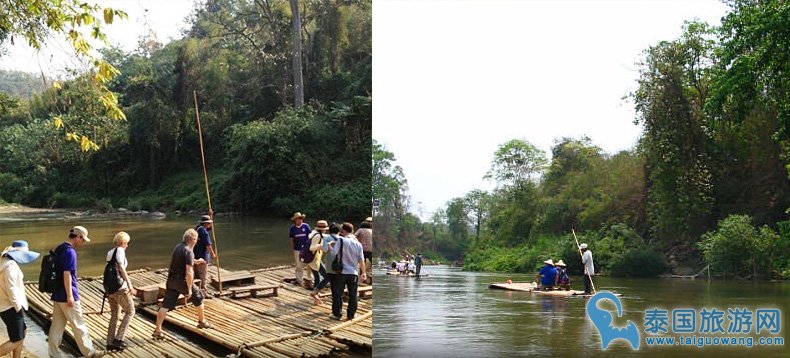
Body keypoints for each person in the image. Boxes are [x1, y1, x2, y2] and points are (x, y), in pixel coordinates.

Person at [48, 226, 105, 358]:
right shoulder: (70, 252)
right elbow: (67, 274)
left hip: (57, 294)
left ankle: (53, 354)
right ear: (78, 237)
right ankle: (90, 353)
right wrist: (70, 296)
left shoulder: (60, 248)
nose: (83, 243)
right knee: (79, 324)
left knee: (56, 326)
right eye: (83, 240)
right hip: (68, 294)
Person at [152, 229, 213, 339]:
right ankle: (202, 321)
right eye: (196, 239)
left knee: (165, 305)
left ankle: (158, 330)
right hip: (182, 281)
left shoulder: (178, 247)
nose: (197, 241)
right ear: (193, 239)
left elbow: (184, 260)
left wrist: (196, 261)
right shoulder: (189, 251)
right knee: (199, 297)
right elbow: (189, 272)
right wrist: (189, 289)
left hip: (171, 281)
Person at [0, 240, 39, 358]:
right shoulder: (10, 267)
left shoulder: (4, 261)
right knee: (17, 339)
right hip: (10, 306)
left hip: (5, 304)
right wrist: (17, 306)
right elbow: (11, 288)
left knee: (23, 332)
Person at [105, 232, 136, 352]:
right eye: (127, 243)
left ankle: (110, 342)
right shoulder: (120, 250)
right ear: (123, 242)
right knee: (130, 311)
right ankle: (119, 339)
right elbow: (121, 269)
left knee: (114, 315)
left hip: (110, 289)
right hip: (120, 288)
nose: (127, 245)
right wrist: (130, 285)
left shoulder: (110, 252)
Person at [329, 222, 366, 321]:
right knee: (353, 295)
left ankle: (337, 314)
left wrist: (330, 247)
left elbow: (333, 254)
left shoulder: (340, 240)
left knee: (338, 294)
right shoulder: (358, 244)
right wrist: (364, 273)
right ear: (352, 231)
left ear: (343, 231)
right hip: (353, 273)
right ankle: (351, 315)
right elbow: (361, 260)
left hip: (341, 272)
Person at [311, 222, 341, 305]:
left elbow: (324, 250)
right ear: (339, 231)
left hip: (328, 261)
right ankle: (336, 297)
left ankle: (316, 291)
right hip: (338, 262)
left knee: (329, 277)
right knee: (335, 279)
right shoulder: (341, 239)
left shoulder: (326, 238)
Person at [193, 214, 217, 295]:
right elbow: (208, 244)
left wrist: (211, 215)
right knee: (203, 275)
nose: (209, 225)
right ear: (205, 223)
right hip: (202, 257)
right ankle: (204, 292)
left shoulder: (197, 228)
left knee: (196, 275)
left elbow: (210, 228)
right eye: (209, 223)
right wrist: (213, 254)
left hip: (195, 256)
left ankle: (196, 291)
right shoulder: (203, 231)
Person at [306, 220, 328, 300]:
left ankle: (315, 296)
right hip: (314, 260)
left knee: (317, 277)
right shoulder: (317, 236)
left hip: (311, 259)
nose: (326, 230)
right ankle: (314, 293)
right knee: (327, 277)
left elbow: (324, 236)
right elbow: (311, 248)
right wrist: (320, 246)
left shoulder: (314, 232)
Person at [288, 212, 311, 287]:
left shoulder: (306, 226)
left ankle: (310, 279)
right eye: (298, 219)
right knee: (298, 265)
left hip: (306, 249)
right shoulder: (292, 228)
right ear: (295, 220)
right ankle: (299, 280)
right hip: (297, 249)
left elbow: (310, 237)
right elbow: (291, 240)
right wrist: (292, 249)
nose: (300, 220)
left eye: (301, 218)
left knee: (309, 264)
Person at [355, 217, 373, 282]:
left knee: (362, 264)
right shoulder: (372, 231)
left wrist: (358, 242)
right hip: (371, 250)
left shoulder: (360, 230)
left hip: (363, 249)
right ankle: (371, 278)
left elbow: (354, 236)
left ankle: (362, 278)